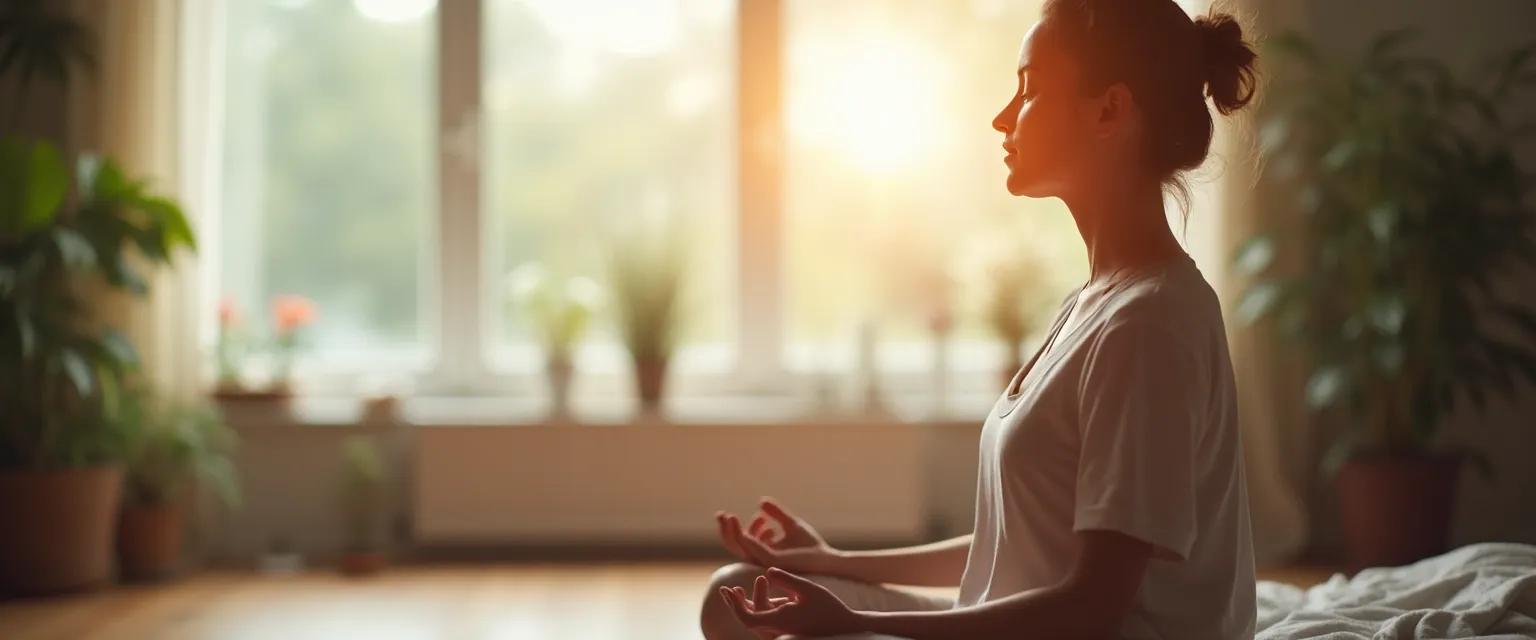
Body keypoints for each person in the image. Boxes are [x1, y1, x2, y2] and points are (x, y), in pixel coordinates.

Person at [699, 0, 1260, 638]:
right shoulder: (1093, 301)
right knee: (732, 595)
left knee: (775, 623)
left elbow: (1093, 606)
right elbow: (1018, 544)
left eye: (1030, 88)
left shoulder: (1149, 324)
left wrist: (851, 619)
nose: (1002, 117)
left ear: (1109, 111)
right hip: (1019, 618)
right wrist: (833, 562)